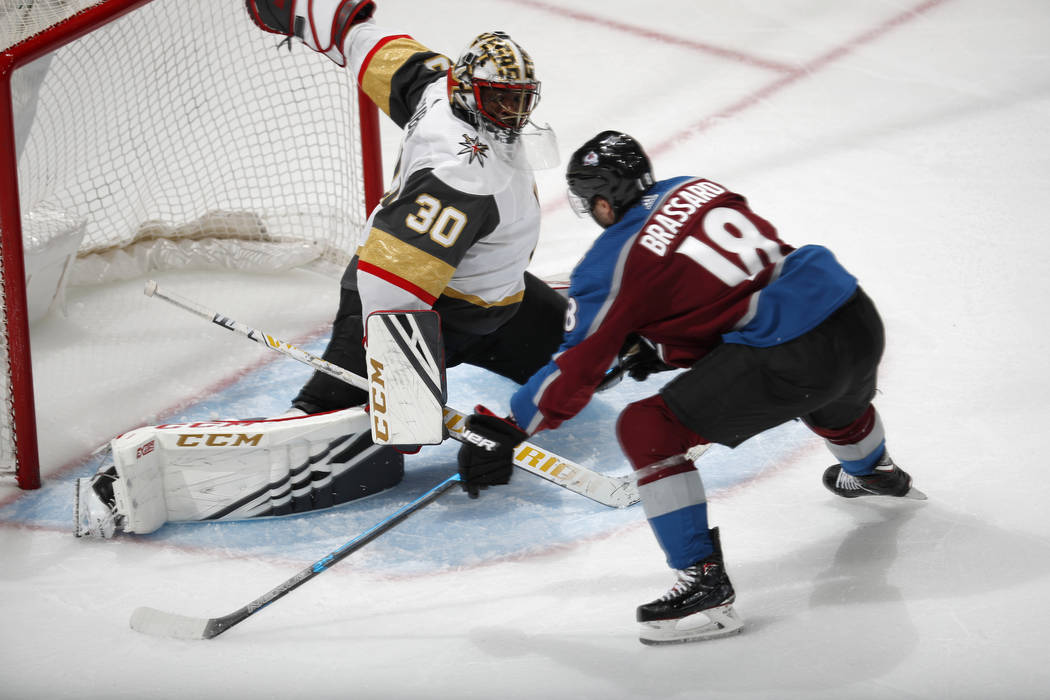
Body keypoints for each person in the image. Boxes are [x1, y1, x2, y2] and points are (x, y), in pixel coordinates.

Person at [456, 130, 925, 645]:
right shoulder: (695, 188)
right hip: (850, 311)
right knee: (831, 396)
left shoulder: (609, 264)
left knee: (645, 426)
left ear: (604, 201)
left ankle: (704, 583)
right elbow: (731, 286)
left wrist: (511, 426)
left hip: (796, 354)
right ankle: (873, 470)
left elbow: (577, 369)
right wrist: (662, 349)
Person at [246, 1, 567, 423]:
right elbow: (391, 288)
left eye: (520, 102)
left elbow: (374, 47)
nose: (512, 116)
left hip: (495, 302)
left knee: (579, 360)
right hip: (436, 313)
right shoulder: (461, 176)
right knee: (334, 410)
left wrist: (336, 20)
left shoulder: (438, 86)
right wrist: (405, 405)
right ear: (469, 91)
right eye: (500, 101)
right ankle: (314, 414)